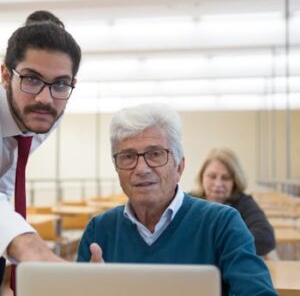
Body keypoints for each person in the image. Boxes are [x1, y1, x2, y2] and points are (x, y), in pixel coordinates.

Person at [77, 103, 277, 296]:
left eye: (155, 154)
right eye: (128, 157)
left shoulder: (223, 224)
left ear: (179, 167)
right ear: (117, 169)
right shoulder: (98, 230)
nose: (141, 169)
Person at [0, 11, 81, 288]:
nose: (44, 99)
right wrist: (25, 243)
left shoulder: (48, 113)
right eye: (31, 79)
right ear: (4, 74)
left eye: (60, 83)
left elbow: (6, 181)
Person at [192, 147, 276, 257]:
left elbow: (266, 238)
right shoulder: (189, 201)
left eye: (225, 178)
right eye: (212, 176)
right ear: (202, 177)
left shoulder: (244, 203)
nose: (218, 184)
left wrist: (214, 245)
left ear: (235, 181)